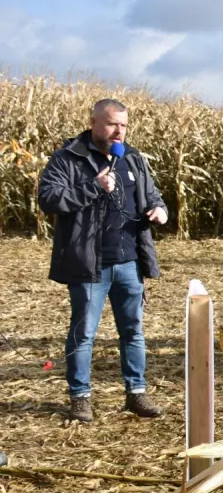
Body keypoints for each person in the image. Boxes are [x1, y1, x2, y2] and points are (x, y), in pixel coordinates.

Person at [38, 98, 168, 422]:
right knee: (83, 333)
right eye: (112, 124)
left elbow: (153, 195)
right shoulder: (68, 158)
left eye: (123, 125)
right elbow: (48, 198)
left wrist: (159, 210)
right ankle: (80, 398)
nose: (118, 131)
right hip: (88, 264)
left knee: (133, 332)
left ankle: (136, 393)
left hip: (128, 262)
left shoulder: (133, 158)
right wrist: (91, 187)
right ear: (94, 122)